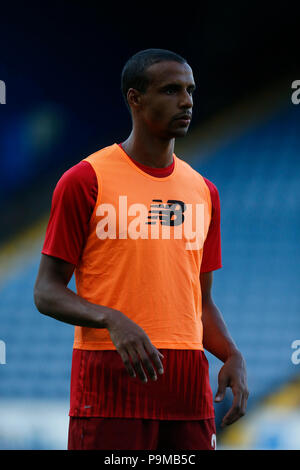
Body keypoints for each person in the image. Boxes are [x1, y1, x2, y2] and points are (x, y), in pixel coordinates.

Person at [34, 48, 249, 451]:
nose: (186, 101)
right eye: (171, 90)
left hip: (187, 391)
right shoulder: (85, 180)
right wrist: (112, 319)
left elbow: (200, 304)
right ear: (135, 98)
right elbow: (46, 291)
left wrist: (231, 354)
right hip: (109, 383)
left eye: (190, 90)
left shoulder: (204, 192)